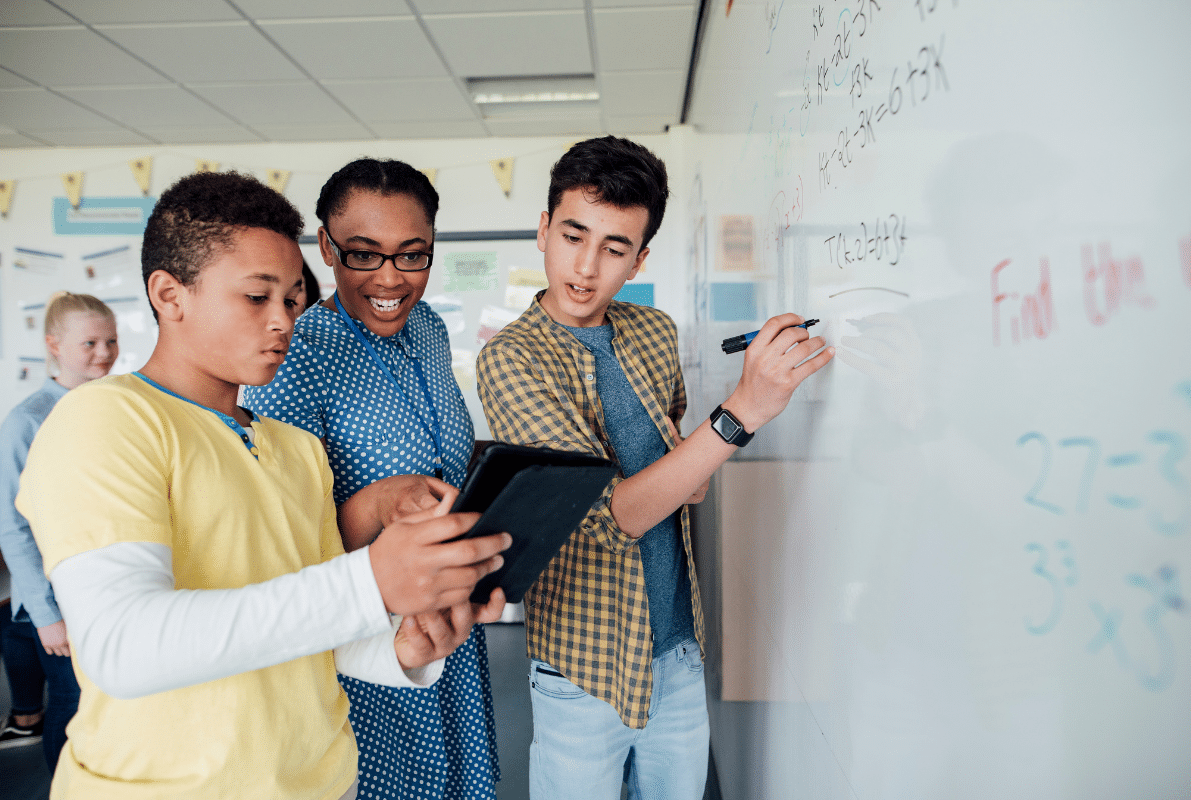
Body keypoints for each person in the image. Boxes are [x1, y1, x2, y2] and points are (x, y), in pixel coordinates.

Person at [15, 171, 510, 800]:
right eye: (257, 297)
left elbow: (316, 634)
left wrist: (401, 648)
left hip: (320, 783)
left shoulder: (296, 449)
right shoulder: (105, 421)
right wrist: (371, 580)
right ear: (170, 294)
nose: (284, 321)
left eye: (294, 299)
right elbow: (122, 645)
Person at [476, 136, 835, 800]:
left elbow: (687, 480)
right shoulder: (512, 359)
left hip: (677, 649)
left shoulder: (655, 332)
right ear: (543, 230)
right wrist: (738, 414)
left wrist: (685, 465)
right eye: (573, 236)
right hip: (584, 665)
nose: (585, 268)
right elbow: (610, 518)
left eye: (614, 249)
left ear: (640, 258)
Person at [245, 158, 501, 800]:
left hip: (450, 625)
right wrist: (375, 503)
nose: (391, 279)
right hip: (363, 637)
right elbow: (278, 540)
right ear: (327, 248)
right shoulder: (296, 351)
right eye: (364, 255)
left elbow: (449, 456)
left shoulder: (431, 330)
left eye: (412, 256)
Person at [0, 291, 117, 770]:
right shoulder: (27, 421)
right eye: (89, 343)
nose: (105, 353)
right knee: (72, 708)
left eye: (111, 341)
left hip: (102, 588)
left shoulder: (115, 405)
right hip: (56, 602)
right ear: (54, 345)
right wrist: (46, 614)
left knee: (102, 706)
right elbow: (14, 528)